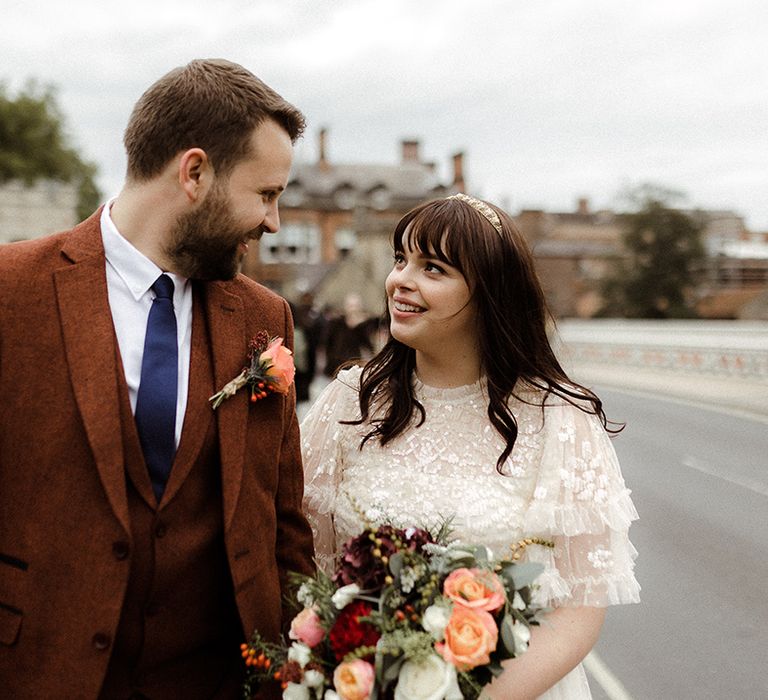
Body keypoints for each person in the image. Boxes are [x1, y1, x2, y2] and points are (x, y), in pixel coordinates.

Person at [0, 59, 314, 699]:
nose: (273, 222)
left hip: (217, 681)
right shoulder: (12, 290)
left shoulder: (263, 315)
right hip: (40, 669)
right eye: (266, 194)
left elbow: (283, 519)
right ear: (195, 172)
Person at [300, 194, 640, 699]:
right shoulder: (351, 402)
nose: (400, 281)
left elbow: (579, 610)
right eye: (401, 260)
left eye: (432, 268)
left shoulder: (560, 419)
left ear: (489, 295)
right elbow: (308, 566)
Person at [322, 292, 375, 377]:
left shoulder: (361, 326)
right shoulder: (336, 323)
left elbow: (366, 344)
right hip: (335, 363)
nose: (353, 309)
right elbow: (327, 342)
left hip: (352, 363)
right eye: (351, 306)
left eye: (356, 306)